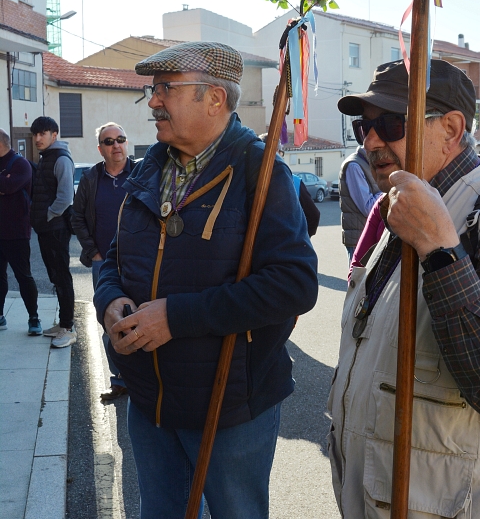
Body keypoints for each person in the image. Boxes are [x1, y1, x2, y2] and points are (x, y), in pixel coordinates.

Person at [328, 59, 480, 518]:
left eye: (391, 123)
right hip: (385, 489)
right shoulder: (403, 202)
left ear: (452, 128)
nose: (372, 141)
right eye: (363, 127)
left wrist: (440, 249)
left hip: (459, 500)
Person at [93, 41, 319, 519]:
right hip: (150, 399)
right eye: (153, 90)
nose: (153, 101)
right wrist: (109, 298)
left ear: (214, 98)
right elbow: (115, 257)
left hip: (229, 405)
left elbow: (294, 284)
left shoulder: (261, 172)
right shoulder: (148, 169)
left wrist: (177, 317)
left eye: (165, 89)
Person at [72, 122, 134, 400]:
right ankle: (119, 379)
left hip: (137, 261)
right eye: (109, 141)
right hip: (103, 264)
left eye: (120, 139)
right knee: (111, 320)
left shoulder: (142, 173)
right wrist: (94, 252)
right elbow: (77, 218)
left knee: (141, 313)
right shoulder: (90, 178)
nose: (116, 145)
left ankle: (144, 377)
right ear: (101, 149)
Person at [29, 116, 76, 348]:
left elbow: (66, 197)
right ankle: (63, 323)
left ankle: (68, 327)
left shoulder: (60, 158)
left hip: (56, 228)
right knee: (55, 277)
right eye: (35, 134)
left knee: (62, 277)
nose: (38, 138)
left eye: (43, 133)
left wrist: (47, 215)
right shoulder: (47, 157)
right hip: (47, 229)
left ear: (54, 135)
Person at [0, 129, 39, 333]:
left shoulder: (20, 164)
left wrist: (5, 183)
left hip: (16, 232)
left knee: (23, 276)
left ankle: (34, 318)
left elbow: (9, 186)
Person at [257, 132, 320, 237]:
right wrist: (301, 238)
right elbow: (313, 215)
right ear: (277, 152)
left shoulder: (246, 178)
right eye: (281, 152)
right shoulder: (294, 181)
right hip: (288, 247)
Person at [339, 145, 381, 262]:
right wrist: (387, 191)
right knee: (358, 278)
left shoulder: (369, 164)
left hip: (368, 236)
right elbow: (368, 207)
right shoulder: (354, 166)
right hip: (359, 238)